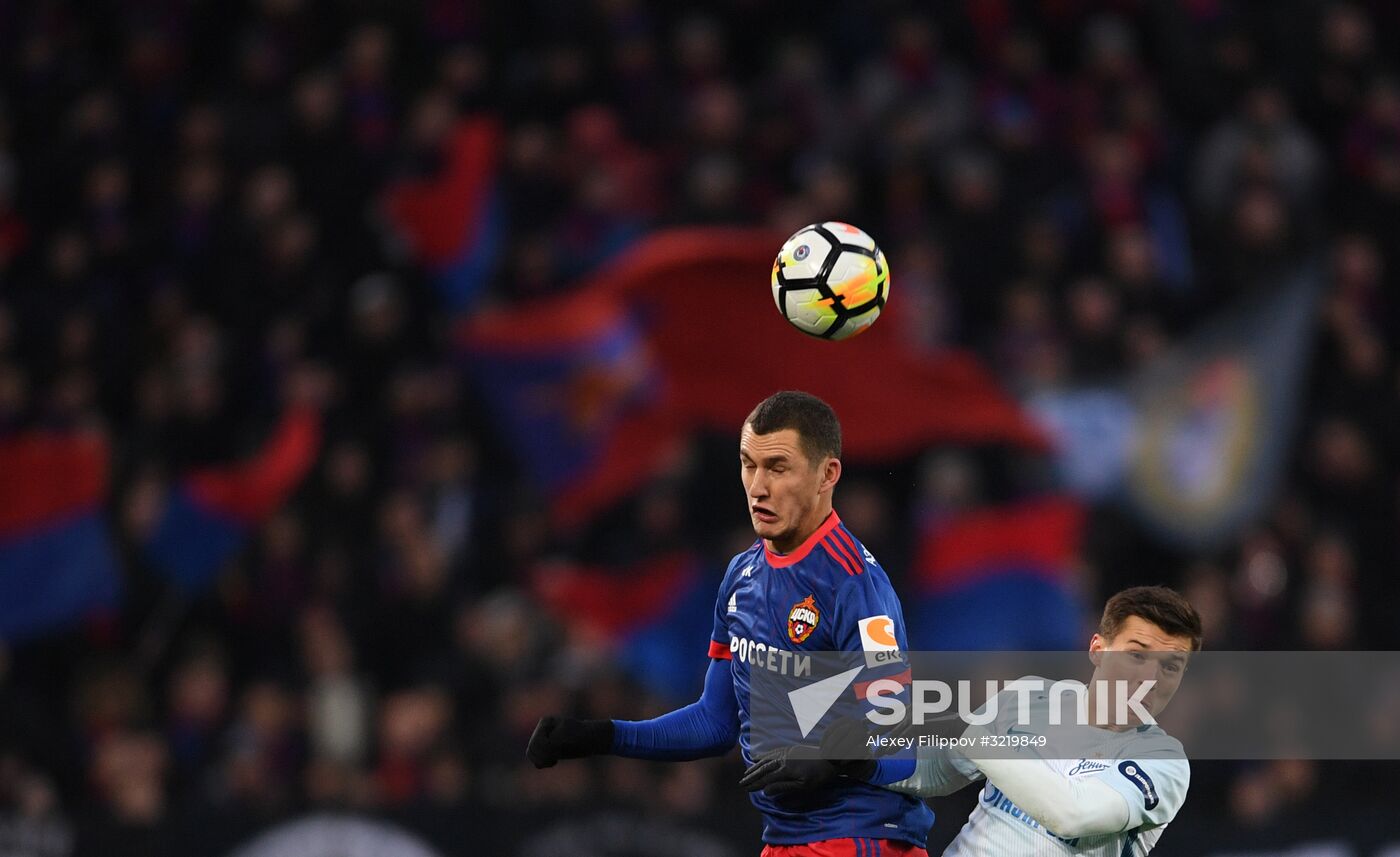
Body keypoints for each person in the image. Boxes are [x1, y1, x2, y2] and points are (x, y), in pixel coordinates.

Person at [528, 390, 933, 856]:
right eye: (749, 465)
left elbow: (900, 739)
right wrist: (603, 735)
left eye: (777, 468)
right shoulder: (742, 576)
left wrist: (833, 760)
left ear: (827, 475)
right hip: (786, 840)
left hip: (862, 838)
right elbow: (715, 721)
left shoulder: (855, 583)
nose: (758, 487)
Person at [741, 585, 1201, 856]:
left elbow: (1072, 813)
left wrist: (969, 731)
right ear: (1098, 649)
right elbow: (940, 770)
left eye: (1171, 666)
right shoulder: (1032, 696)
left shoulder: (1162, 761)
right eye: (1137, 654)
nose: (1151, 677)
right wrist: (862, 765)